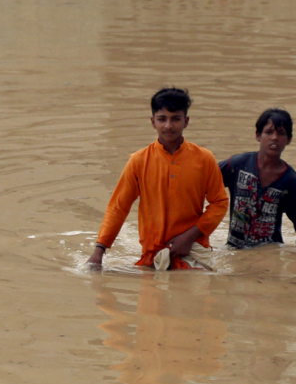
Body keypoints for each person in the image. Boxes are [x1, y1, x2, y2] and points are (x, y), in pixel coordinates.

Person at [87, 88, 229, 269]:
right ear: (153, 122)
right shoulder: (138, 161)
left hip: (193, 256)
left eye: (175, 119)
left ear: (186, 122)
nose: (168, 126)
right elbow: (119, 207)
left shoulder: (204, 159)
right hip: (151, 259)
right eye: (162, 119)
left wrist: (189, 236)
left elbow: (220, 203)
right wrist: (99, 251)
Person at [219, 108, 296, 248]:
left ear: (289, 140)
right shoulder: (237, 165)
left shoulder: (290, 180)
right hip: (234, 249)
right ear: (258, 136)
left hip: (271, 252)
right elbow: (203, 182)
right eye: (269, 132)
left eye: (281, 133)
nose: (274, 138)